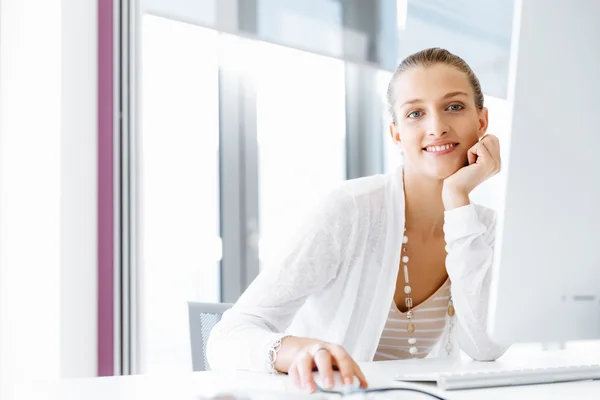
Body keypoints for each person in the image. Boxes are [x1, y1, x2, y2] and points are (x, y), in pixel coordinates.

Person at [207, 47, 508, 392]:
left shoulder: (483, 229)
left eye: (453, 107)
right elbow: (227, 335)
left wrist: (458, 200)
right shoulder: (350, 210)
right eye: (415, 114)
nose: (437, 127)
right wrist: (301, 350)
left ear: (482, 122)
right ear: (396, 134)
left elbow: (484, 347)